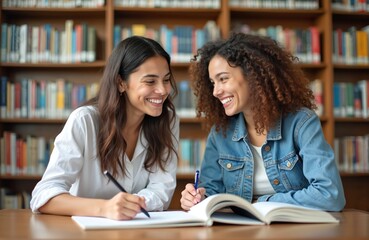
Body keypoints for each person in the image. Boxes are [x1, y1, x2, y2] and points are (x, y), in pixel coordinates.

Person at [180, 32, 346, 211]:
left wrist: (262, 204)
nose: (216, 91)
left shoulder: (301, 123)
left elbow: (330, 194)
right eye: (213, 83)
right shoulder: (221, 132)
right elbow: (212, 192)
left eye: (223, 79)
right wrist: (198, 198)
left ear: (253, 76)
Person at [30, 36, 179, 220]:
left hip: (138, 230)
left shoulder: (168, 119)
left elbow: (161, 189)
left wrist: (132, 205)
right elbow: (43, 195)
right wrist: (105, 208)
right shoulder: (84, 121)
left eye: (166, 80)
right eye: (150, 81)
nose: (163, 90)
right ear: (121, 83)